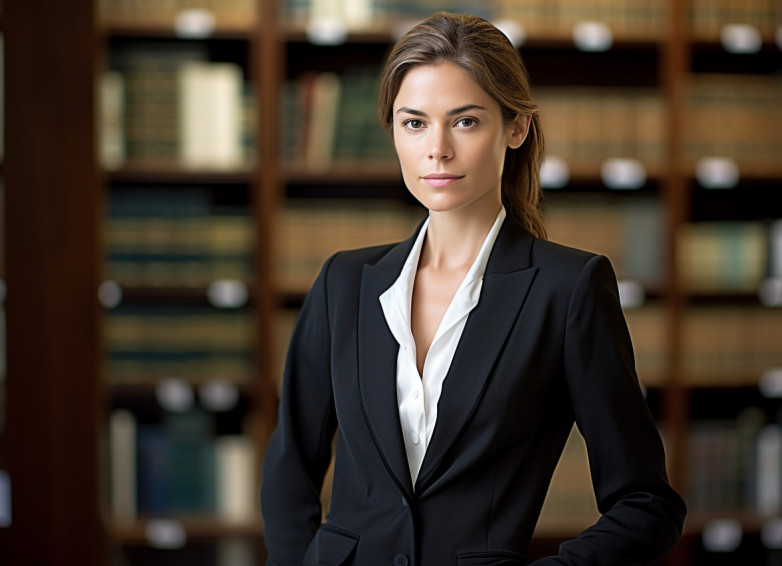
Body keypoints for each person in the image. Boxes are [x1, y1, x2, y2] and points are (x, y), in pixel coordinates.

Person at [261, 11, 686, 566]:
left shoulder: (569, 291)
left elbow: (646, 503)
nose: (436, 149)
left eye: (464, 122)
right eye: (414, 123)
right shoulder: (343, 283)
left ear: (516, 127)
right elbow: (290, 470)